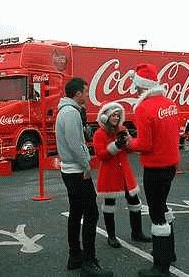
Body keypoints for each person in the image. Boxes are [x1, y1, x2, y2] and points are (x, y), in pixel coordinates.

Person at [55, 77, 113, 277]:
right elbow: (74, 143)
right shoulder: (71, 113)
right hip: (76, 171)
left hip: (69, 169)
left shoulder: (65, 110)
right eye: (85, 92)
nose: (87, 95)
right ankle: (88, 262)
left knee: (76, 211)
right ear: (77, 93)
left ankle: (75, 256)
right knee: (91, 213)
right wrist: (85, 164)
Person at [126, 63, 180, 277]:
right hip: (170, 164)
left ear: (140, 86)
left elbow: (145, 144)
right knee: (163, 208)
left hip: (155, 167)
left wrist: (130, 142)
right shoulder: (169, 103)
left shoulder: (143, 108)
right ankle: (169, 252)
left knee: (157, 214)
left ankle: (161, 266)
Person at [93, 101, 151, 249]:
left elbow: (130, 150)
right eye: (113, 115)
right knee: (109, 205)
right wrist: (115, 146)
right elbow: (101, 156)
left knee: (135, 202)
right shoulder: (99, 133)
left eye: (118, 115)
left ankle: (137, 233)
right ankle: (111, 237)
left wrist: (128, 142)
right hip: (109, 174)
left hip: (125, 172)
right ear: (105, 117)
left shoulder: (122, 129)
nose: (116, 118)